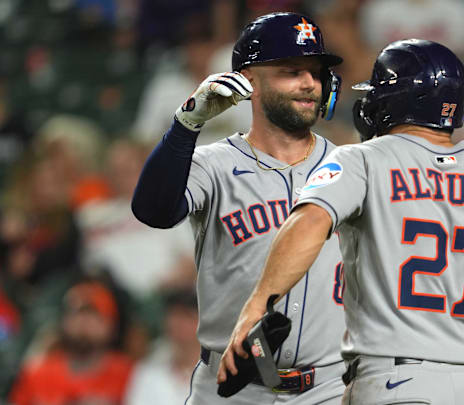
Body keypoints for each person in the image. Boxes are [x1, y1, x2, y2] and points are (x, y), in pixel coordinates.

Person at [219, 39, 464, 405]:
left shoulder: (361, 160)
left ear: (395, 100)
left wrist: (256, 306)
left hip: (394, 381)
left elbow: (309, 222)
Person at [130, 12, 347, 405]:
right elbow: (153, 211)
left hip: (328, 388)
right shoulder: (214, 164)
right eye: (290, 70)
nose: (309, 84)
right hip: (232, 389)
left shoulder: (351, 167)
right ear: (249, 81)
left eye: (315, 72)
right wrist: (186, 124)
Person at [8, 280, 133, 405]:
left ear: (111, 326)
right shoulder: (35, 373)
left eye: (94, 317)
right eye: (77, 315)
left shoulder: (129, 376)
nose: (83, 323)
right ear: (63, 322)